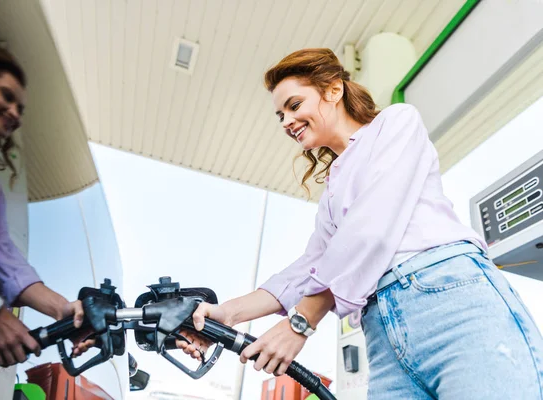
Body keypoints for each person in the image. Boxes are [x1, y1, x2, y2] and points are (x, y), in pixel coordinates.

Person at [178, 48, 543, 398]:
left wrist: (299, 323)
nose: (287, 121)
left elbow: (373, 227)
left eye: (294, 105)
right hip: (381, 331)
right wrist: (225, 315)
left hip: (448, 299)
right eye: (280, 115)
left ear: (333, 90)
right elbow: (308, 269)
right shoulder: (334, 189)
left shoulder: (396, 122)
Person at [0, 43, 92, 367]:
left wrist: (63, 308)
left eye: (20, 109)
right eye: (7, 96)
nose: (14, 112)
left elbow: (7, 261)